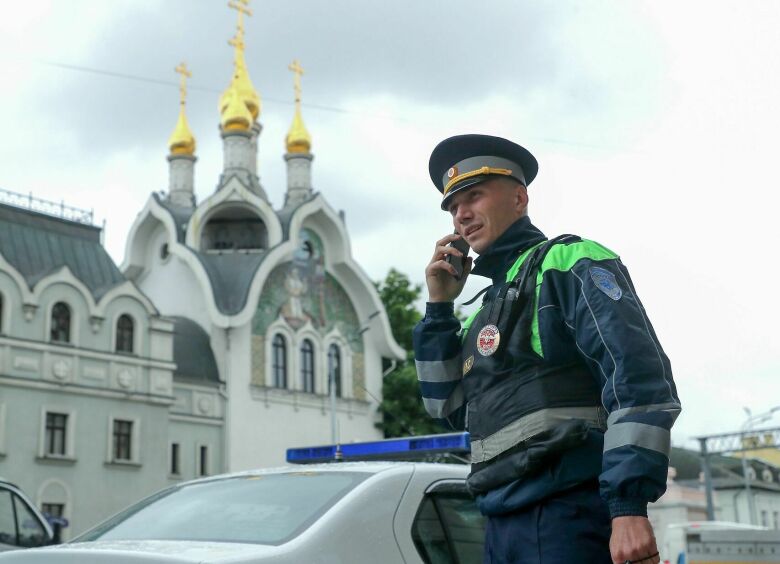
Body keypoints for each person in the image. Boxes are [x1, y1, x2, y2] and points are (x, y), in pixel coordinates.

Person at [413, 134, 681, 564]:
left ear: (519, 197)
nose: (461, 214)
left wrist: (629, 508)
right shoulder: (483, 311)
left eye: (474, 196)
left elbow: (634, 379)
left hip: (568, 514)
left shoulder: (569, 261)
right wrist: (440, 307)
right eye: (452, 206)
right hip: (499, 523)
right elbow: (442, 404)